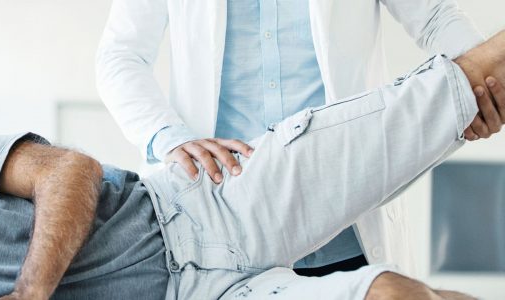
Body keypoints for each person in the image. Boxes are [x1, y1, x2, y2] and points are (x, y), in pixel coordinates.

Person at [0, 31, 505, 299]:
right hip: (198, 297)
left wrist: (33, 290)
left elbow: (72, 171)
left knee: (446, 95)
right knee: (396, 294)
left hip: (205, 206)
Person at [96, 0, 503, 275]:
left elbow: (434, 17)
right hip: (227, 232)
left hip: (348, 227)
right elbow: (121, 54)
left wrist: (481, 95)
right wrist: (168, 136)